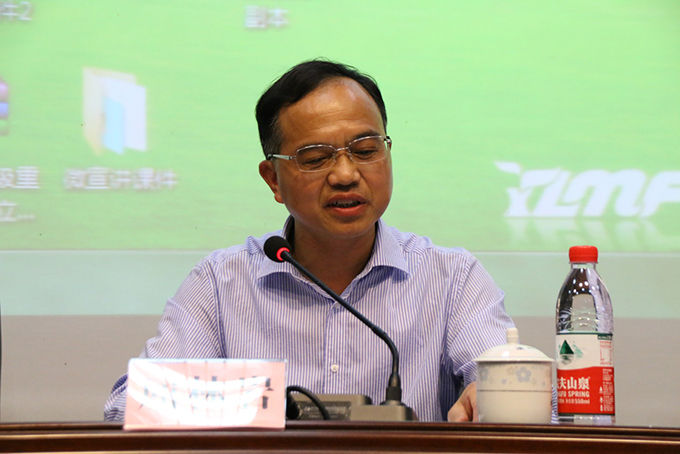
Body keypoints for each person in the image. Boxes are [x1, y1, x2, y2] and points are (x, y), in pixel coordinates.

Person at [104, 59, 513, 422]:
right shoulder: (220, 283)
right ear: (273, 180)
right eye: (316, 158)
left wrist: (495, 397)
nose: (345, 175)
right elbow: (127, 408)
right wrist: (270, 407)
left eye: (365, 150)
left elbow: (512, 392)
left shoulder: (452, 278)